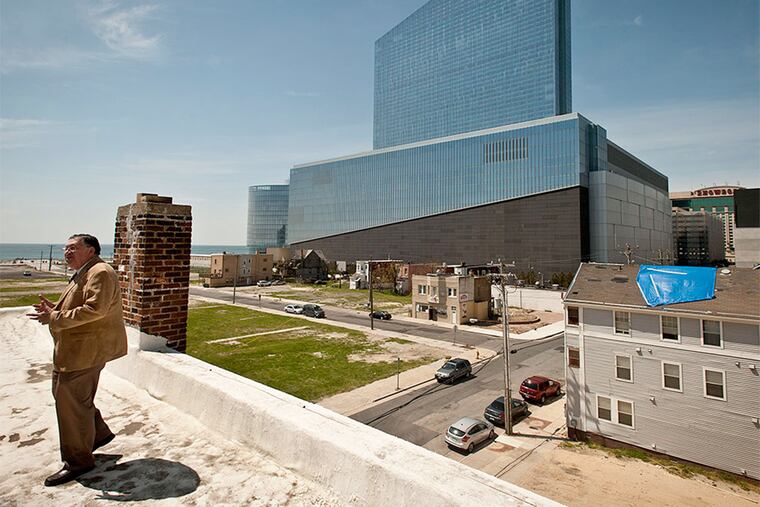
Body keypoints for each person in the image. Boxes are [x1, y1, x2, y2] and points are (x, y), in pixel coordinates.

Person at [27, 234, 128, 487]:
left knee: (70, 403)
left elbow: (96, 309)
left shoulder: (100, 272)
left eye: (73, 248)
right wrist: (55, 310)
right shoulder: (87, 270)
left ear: (91, 250)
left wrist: (55, 317)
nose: (66, 252)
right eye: (65, 248)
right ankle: (98, 435)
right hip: (74, 351)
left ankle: (78, 461)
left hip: (86, 352)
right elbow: (81, 303)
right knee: (68, 398)